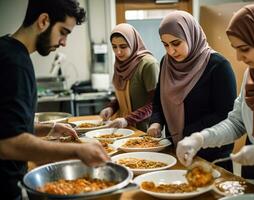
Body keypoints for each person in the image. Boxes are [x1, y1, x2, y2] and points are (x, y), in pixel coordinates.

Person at [176, 4, 254, 198]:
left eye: (245, 49)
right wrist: (200, 139)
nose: (238, 57)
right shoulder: (252, 74)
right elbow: (236, 122)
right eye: (235, 48)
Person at [0, 1, 110, 199]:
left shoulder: (6, 48)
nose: (64, 42)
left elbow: (6, 125)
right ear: (43, 21)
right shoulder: (16, 63)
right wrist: (77, 151)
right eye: (64, 32)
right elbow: (8, 144)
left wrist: (46, 128)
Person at [147, 11, 237, 171]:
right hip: (177, 149)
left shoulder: (218, 66)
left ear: (191, 35)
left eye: (176, 43)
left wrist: (187, 132)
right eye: (165, 45)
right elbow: (158, 100)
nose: (171, 51)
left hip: (212, 154)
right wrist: (156, 122)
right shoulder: (166, 63)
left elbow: (226, 115)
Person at [99, 23, 159, 132]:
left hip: (145, 130)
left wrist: (127, 120)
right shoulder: (119, 64)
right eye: (114, 47)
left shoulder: (148, 64)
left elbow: (155, 104)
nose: (118, 52)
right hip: (124, 128)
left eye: (123, 46)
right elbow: (123, 96)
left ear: (133, 43)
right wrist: (111, 107)